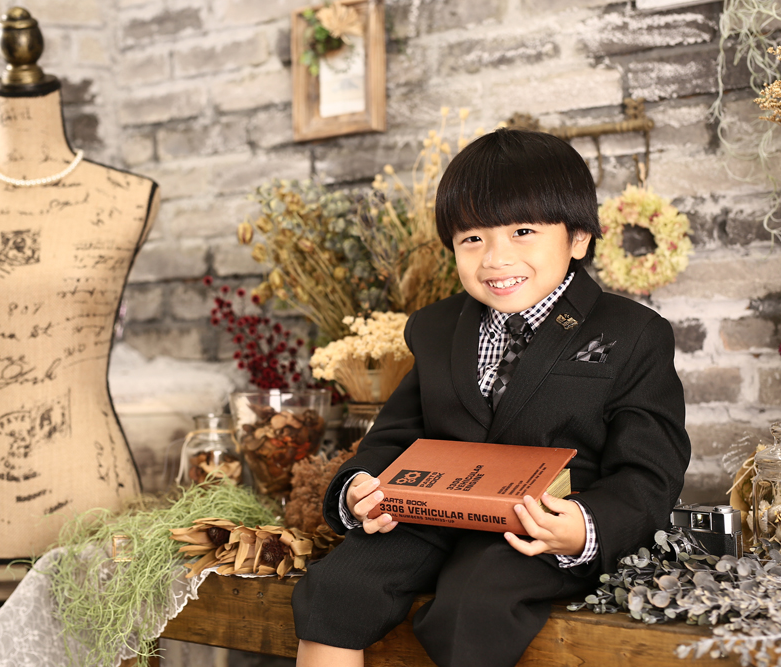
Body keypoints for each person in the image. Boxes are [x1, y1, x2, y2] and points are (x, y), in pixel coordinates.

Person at [291, 129, 691, 667]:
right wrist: (358, 488)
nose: (496, 258)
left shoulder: (634, 331)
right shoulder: (434, 328)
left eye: (523, 232)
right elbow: (395, 435)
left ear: (578, 238)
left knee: (473, 604)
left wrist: (582, 527)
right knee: (336, 586)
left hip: (540, 528)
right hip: (432, 511)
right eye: (473, 239)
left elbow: (650, 470)